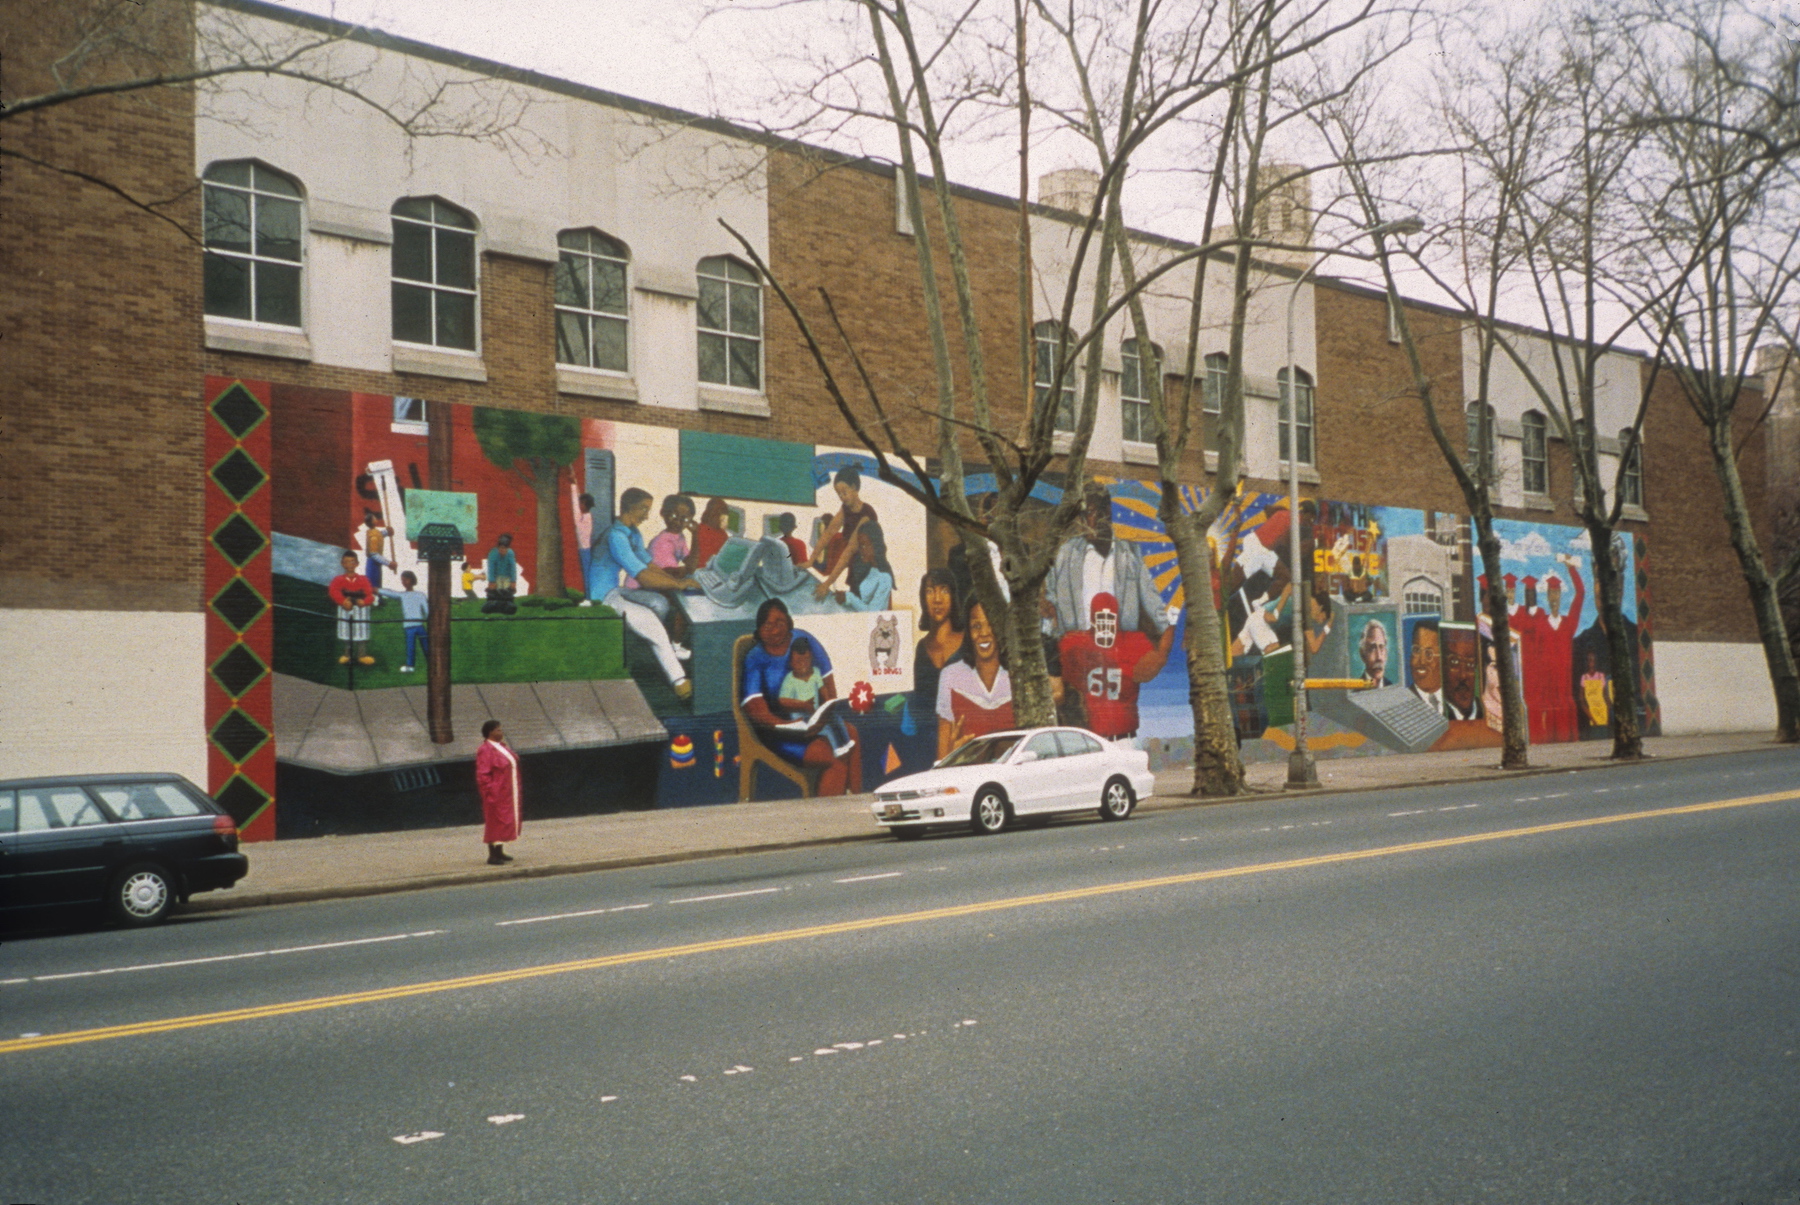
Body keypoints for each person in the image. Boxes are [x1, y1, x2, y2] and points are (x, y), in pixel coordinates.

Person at [741, 598, 862, 795]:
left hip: (815, 722)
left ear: (788, 622)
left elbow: (829, 691)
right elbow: (756, 710)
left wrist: (820, 719)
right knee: (832, 753)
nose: (774, 630)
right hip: (778, 731)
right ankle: (828, 820)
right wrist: (791, 726)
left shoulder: (804, 640)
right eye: (768, 625)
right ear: (760, 629)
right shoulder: (755, 658)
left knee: (852, 735)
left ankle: (857, 802)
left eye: (779, 623)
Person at [592, 487, 694, 700]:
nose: (648, 515)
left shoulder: (633, 533)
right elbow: (642, 576)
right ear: (630, 507)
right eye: (644, 509)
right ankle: (679, 681)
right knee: (649, 621)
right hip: (602, 596)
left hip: (616, 590)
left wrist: (676, 582)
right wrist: (680, 585)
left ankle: (650, 648)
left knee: (659, 603)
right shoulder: (616, 536)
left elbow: (649, 565)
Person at [1047, 483, 1168, 638]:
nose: (1083, 522)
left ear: (1107, 512)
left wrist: (1170, 636)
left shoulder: (1130, 554)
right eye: (1080, 515)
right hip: (1077, 652)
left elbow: (1154, 604)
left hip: (1119, 653)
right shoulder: (1066, 553)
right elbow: (1050, 603)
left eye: (1089, 512)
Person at [1057, 592, 1174, 739]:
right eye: (1101, 618)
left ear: (1117, 619)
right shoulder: (1075, 644)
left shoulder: (1132, 642)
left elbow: (1154, 663)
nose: (1105, 625)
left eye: (1109, 618)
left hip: (1122, 735)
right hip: (1088, 736)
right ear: (1093, 619)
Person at [936, 598, 1014, 757]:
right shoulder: (950, 676)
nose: (984, 633)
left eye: (991, 624)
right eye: (976, 626)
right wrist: (953, 755)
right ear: (967, 631)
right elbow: (942, 759)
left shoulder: (1018, 674)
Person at [813, 467, 880, 600]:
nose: (842, 497)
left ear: (854, 487)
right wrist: (810, 560)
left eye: (844, 492)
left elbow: (850, 550)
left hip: (867, 569)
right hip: (855, 568)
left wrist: (827, 584)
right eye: (839, 494)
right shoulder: (845, 509)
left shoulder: (867, 514)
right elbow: (829, 532)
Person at [913, 569, 966, 726]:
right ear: (923, 599)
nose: (937, 599)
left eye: (944, 590)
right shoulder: (922, 648)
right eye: (930, 592)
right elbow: (919, 700)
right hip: (930, 733)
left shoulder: (968, 641)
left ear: (953, 596)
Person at [475, 719, 520, 865]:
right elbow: (483, 774)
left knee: (504, 821)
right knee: (495, 821)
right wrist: (490, 791)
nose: (501, 732)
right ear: (490, 732)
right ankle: (492, 855)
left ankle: (500, 851)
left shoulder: (501, 747)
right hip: (496, 793)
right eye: (498, 730)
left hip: (507, 792)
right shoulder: (485, 750)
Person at [328, 550, 377, 666]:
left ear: (357, 564)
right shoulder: (338, 579)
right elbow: (333, 591)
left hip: (361, 610)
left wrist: (364, 602)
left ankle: (362, 655)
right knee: (347, 631)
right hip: (346, 609)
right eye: (347, 562)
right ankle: (347, 654)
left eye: (352, 562)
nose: (350, 565)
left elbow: (370, 595)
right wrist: (343, 601)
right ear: (342, 564)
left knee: (361, 632)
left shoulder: (363, 579)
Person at [836, 521, 894, 611]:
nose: (861, 550)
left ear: (875, 545)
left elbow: (872, 613)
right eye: (860, 545)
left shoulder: (885, 578)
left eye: (863, 545)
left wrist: (849, 597)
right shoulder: (869, 569)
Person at [1407, 619, 1448, 716]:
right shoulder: (1402, 702)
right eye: (1416, 650)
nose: (1421, 660)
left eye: (1429, 653)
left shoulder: (1456, 700)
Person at [686, 497, 732, 572]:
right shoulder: (722, 535)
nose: (726, 523)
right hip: (707, 571)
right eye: (723, 519)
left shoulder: (700, 527)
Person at [397, 570, 429, 672]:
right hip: (408, 626)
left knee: (426, 644)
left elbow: (427, 610)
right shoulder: (402, 595)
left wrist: (428, 618)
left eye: (405, 580)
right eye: (402, 580)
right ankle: (410, 665)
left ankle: (431, 662)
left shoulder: (420, 595)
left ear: (411, 580)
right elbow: (390, 593)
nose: (403, 582)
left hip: (419, 624)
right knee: (410, 646)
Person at [569, 487, 596, 594]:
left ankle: (589, 597)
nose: (578, 505)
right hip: (585, 550)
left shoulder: (583, 519)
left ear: (584, 504)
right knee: (586, 574)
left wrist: (573, 486)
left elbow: (575, 507)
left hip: (585, 551)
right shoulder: (587, 516)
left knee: (586, 574)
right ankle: (588, 596)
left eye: (580, 503)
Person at [360, 510, 394, 591]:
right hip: (373, 563)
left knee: (377, 581)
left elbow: (380, 534)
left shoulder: (374, 532)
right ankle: (373, 599)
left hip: (376, 563)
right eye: (374, 518)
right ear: (372, 521)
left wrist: (387, 532)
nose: (376, 519)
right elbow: (374, 554)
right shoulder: (373, 536)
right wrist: (388, 563)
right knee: (373, 583)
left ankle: (378, 599)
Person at [485, 534, 518, 615]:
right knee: (497, 590)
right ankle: (496, 607)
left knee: (506, 591)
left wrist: (513, 580)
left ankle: (506, 607)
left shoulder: (510, 554)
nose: (502, 550)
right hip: (497, 576)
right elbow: (491, 568)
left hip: (507, 576)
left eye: (504, 548)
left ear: (507, 548)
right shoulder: (493, 554)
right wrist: (492, 581)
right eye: (501, 548)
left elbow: (512, 568)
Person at [1358, 619, 1390, 687]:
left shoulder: (1393, 687)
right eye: (1372, 649)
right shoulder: (1355, 691)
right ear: (1363, 655)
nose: (1379, 657)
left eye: (1381, 648)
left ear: (1386, 653)